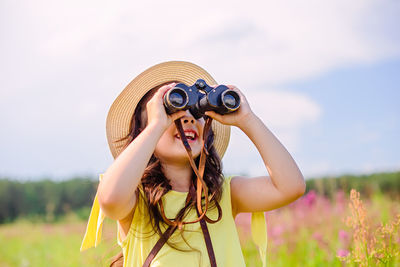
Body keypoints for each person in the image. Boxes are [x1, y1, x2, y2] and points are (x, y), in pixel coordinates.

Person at [80, 61, 306, 267]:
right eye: (173, 109)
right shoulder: (137, 202)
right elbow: (109, 198)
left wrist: (247, 120)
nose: (187, 118)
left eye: (195, 111)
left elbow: (291, 186)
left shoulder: (225, 195)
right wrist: (157, 124)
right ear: (142, 130)